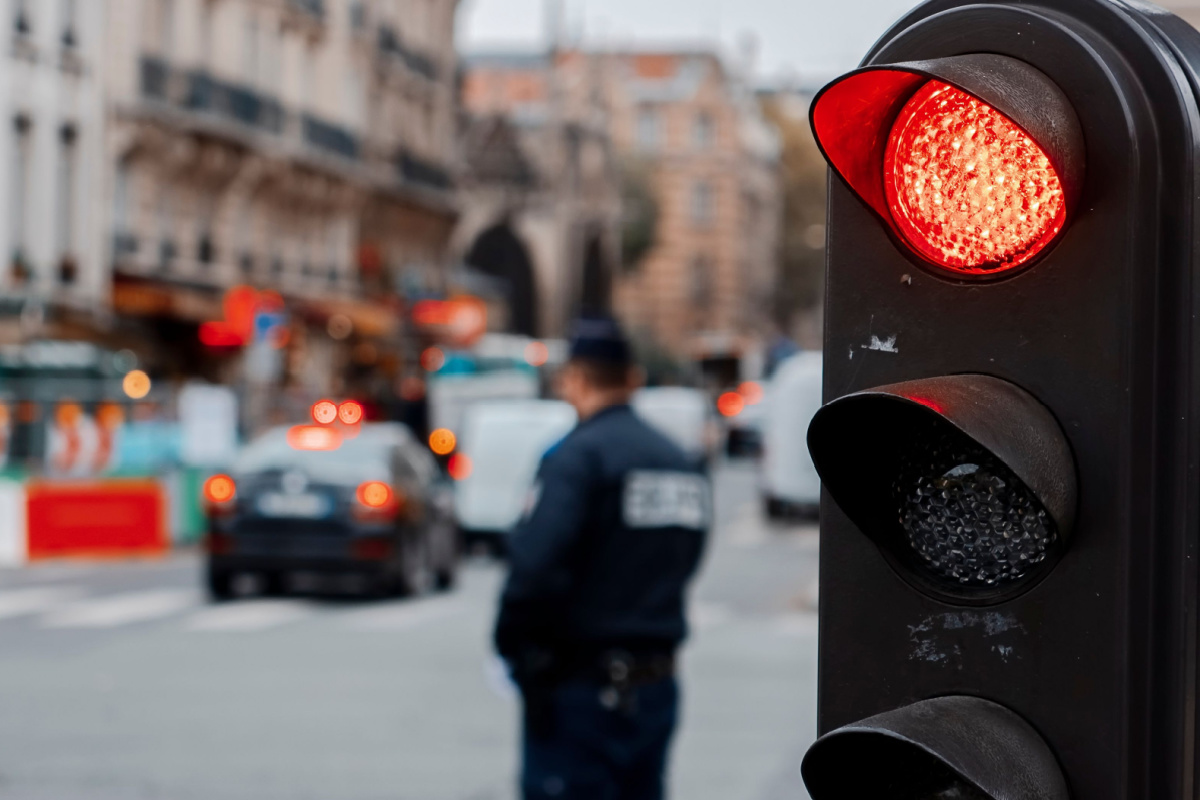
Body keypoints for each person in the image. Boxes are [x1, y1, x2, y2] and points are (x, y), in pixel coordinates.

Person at [494, 314, 711, 800]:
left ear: (575, 378)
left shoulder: (577, 457)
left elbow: (533, 566)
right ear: (632, 379)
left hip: (580, 688)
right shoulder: (677, 460)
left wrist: (512, 649)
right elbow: (689, 553)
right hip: (655, 686)